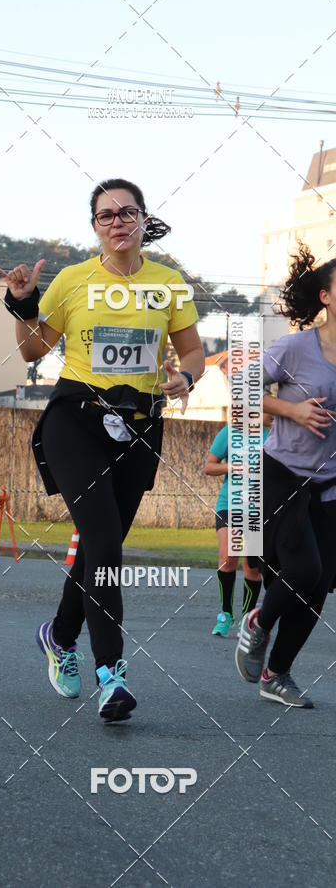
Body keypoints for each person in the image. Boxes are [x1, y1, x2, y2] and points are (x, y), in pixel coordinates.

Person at [0, 178, 205, 722]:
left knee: (97, 547)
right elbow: (33, 350)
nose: (117, 222)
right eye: (106, 215)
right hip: (76, 420)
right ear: (95, 226)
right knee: (105, 539)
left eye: (127, 213)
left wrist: (186, 377)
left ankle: (60, 636)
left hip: (140, 425)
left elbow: (193, 353)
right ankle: (111, 673)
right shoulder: (72, 280)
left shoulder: (169, 284)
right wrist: (22, 305)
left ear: (142, 220)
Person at [236, 244, 336, 707]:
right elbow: (242, 393)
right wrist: (292, 410)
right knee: (303, 568)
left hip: (330, 486)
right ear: (325, 297)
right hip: (281, 474)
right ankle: (257, 622)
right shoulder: (297, 348)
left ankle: (277, 674)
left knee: (320, 583)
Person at [204, 413, 273, 637]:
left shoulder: (272, 437)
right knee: (227, 558)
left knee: (252, 567)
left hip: (257, 508)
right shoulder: (228, 434)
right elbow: (209, 466)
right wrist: (231, 467)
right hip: (229, 503)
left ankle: (247, 617)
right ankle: (225, 615)